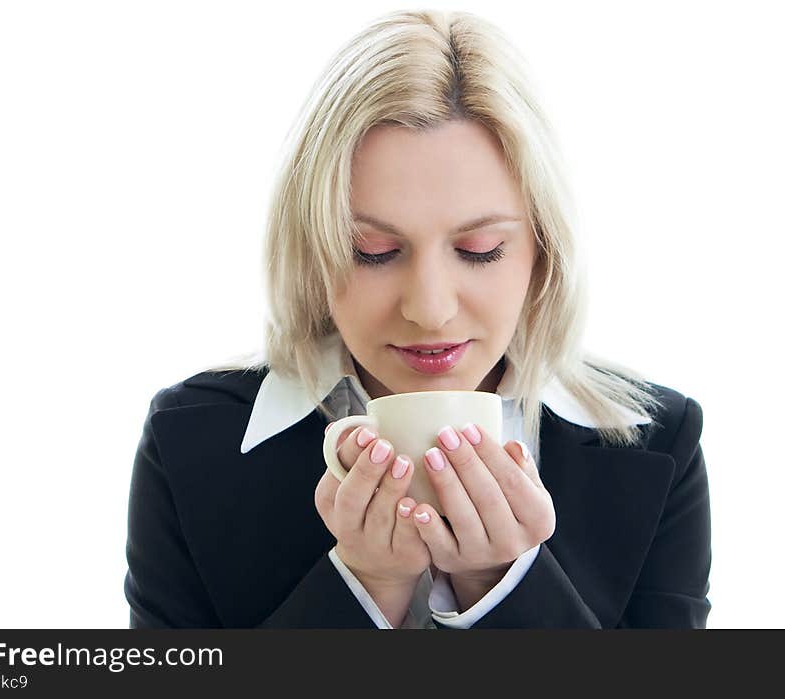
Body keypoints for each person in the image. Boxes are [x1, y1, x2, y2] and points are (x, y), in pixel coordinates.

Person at [123, 9, 711, 629]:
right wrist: (363, 587)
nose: (429, 310)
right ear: (313, 251)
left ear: (543, 250)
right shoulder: (192, 440)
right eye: (372, 252)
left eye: (480, 250)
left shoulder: (657, 444)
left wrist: (504, 586)